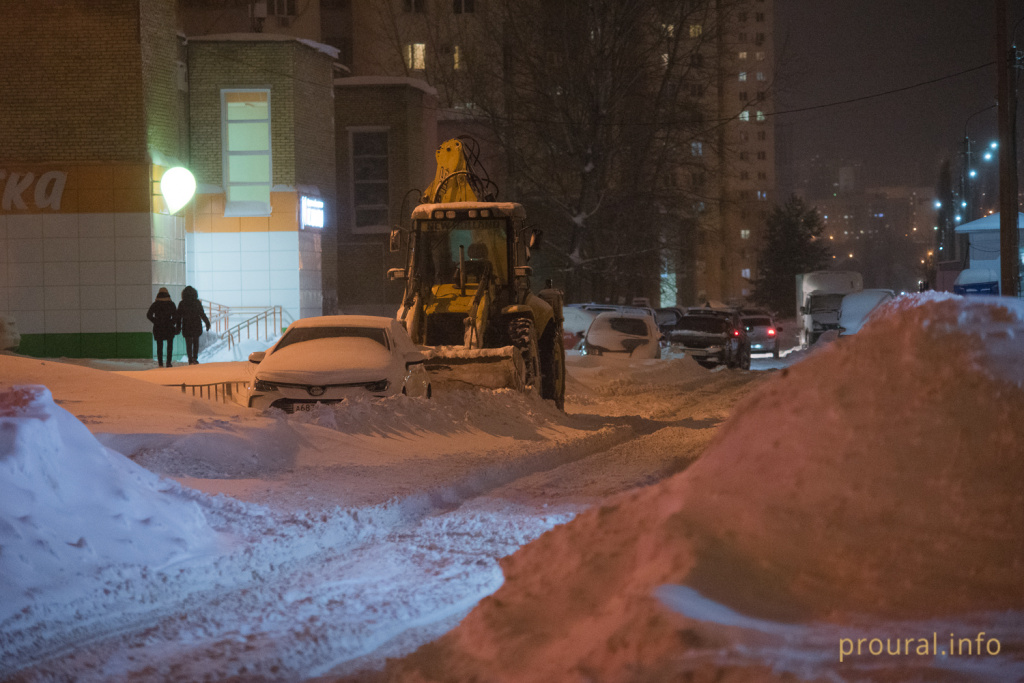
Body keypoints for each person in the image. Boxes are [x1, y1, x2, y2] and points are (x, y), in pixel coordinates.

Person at [177, 285, 211, 365]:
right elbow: (202, 314)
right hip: (196, 325)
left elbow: (178, 316)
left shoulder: (182, 303)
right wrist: (207, 323)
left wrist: (178, 327)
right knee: (196, 342)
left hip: (186, 325)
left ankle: (190, 359)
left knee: (188, 343)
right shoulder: (197, 303)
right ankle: (195, 358)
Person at [146, 287, 179, 367]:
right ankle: (168, 362)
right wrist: (172, 323)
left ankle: (160, 363)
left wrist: (156, 321)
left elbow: (148, 315)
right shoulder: (171, 304)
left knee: (159, 346)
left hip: (158, 327)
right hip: (169, 327)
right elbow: (176, 316)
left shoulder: (155, 304)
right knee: (169, 346)